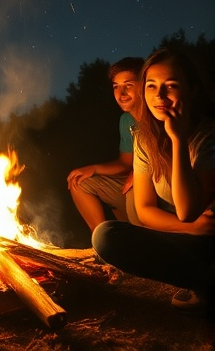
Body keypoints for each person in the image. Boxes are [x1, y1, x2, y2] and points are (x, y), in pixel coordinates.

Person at [92, 48, 215, 314]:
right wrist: (192, 229)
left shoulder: (207, 136)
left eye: (170, 86)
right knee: (106, 235)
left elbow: (188, 210)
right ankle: (205, 283)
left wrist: (179, 140)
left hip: (211, 242)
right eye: (151, 86)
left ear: (192, 91)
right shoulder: (145, 138)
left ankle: (207, 285)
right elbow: (146, 210)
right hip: (190, 235)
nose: (159, 96)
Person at [67, 57, 144, 232]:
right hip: (134, 182)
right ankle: (104, 242)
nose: (121, 93)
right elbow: (125, 163)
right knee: (79, 182)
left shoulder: (157, 114)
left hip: (154, 185)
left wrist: (138, 173)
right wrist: (93, 169)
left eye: (128, 85)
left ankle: (142, 242)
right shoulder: (126, 120)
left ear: (144, 84)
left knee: (135, 193)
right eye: (116, 86)